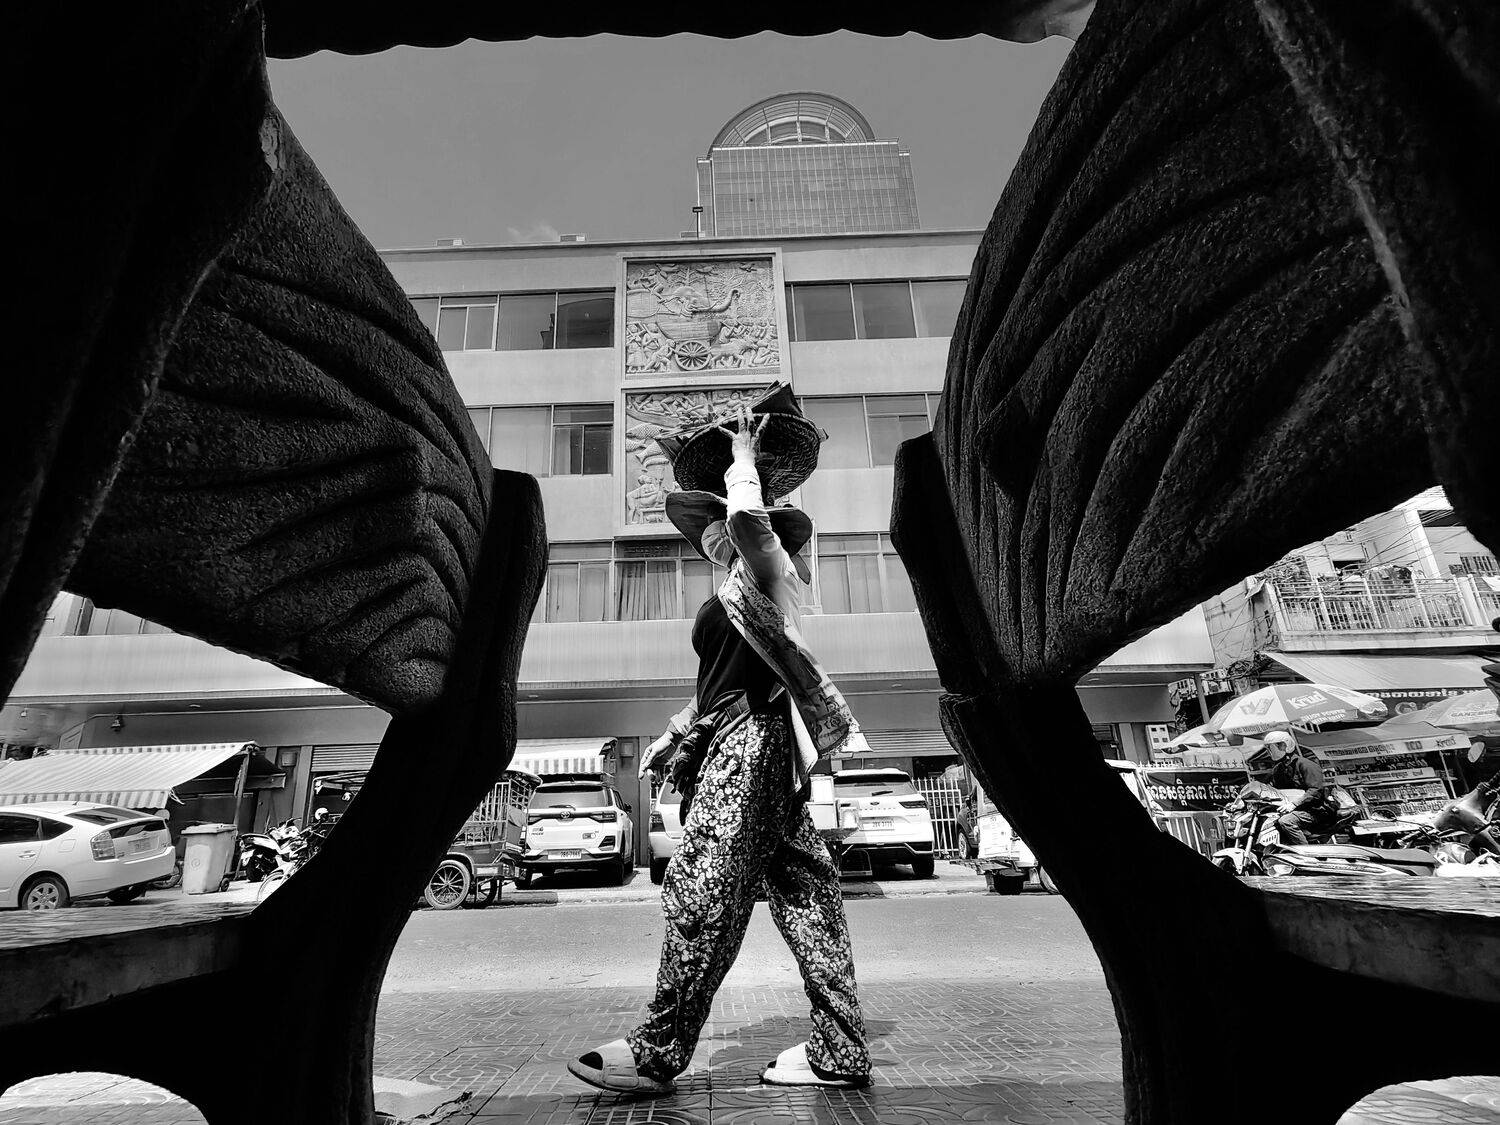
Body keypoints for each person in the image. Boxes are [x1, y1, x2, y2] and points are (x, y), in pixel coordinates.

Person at [569, 384, 872, 1095]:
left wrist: (741, 459)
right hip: (751, 745)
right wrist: (676, 732)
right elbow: (716, 685)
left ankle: (657, 1050)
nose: (712, 533)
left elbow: (749, 525)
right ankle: (841, 1049)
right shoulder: (733, 597)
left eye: (719, 522)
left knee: (705, 887)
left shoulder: (770, 574)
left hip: (749, 747)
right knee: (807, 894)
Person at [1262, 730, 1335, 844]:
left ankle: (1306, 852)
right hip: (1293, 810)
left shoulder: (1306, 764)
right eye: (1268, 748)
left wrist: (1294, 804)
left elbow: (1315, 790)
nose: (1270, 751)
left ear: (1285, 745)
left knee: (1287, 821)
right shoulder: (1278, 770)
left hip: (1314, 810)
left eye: (1272, 747)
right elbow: (1271, 789)